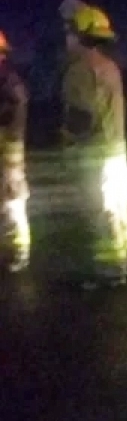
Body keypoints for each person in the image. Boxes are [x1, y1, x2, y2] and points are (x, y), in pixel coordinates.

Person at [59, 0, 127, 287]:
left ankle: (106, 272)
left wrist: (66, 138)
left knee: (100, 214)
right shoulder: (110, 67)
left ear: (79, 35)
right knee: (117, 212)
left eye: (68, 31)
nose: (66, 38)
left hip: (94, 156)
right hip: (115, 154)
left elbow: (81, 116)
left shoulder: (79, 69)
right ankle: (122, 265)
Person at [0, 30, 30, 273]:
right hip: (7, 147)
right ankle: (14, 251)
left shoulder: (7, 79)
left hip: (8, 150)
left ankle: (19, 252)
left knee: (12, 201)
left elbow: (17, 104)